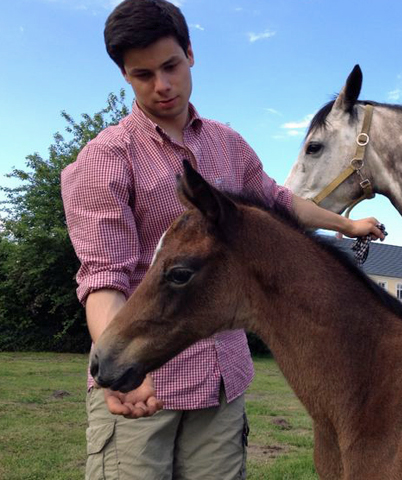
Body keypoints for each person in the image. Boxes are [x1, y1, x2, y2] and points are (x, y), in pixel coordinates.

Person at [61, 1, 385, 479]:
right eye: (143, 74)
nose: (162, 85)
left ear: (190, 53)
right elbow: (104, 276)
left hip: (220, 386)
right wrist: (121, 367)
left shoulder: (226, 144)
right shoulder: (106, 158)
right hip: (143, 384)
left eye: (170, 66)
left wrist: (349, 226)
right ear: (125, 76)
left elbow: (279, 202)